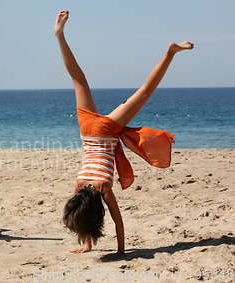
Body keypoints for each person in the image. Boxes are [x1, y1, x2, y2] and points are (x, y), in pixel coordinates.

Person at [55, 10, 193, 258]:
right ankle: (59, 36)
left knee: (143, 93)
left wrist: (121, 252)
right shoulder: (79, 185)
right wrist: (88, 245)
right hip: (87, 132)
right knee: (79, 80)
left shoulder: (104, 189)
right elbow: (82, 210)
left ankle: (170, 53)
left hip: (107, 132)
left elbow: (118, 224)